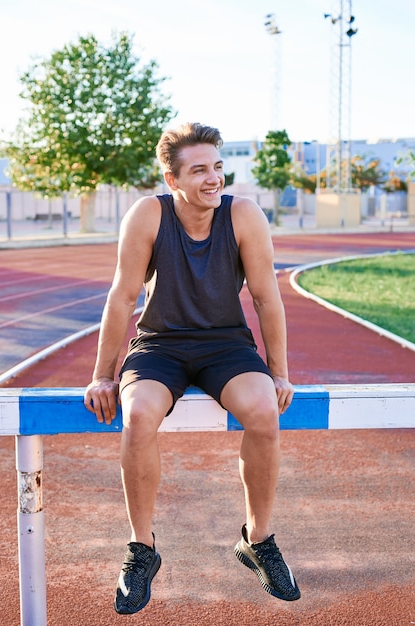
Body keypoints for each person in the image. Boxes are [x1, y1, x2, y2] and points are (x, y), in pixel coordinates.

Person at [84, 122, 300, 614]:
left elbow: (267, 297)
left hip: (226, 345)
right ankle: (141, 549)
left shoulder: (244, 215)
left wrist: (279, 371)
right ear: (172, 178)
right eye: (199, 169)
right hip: (160, 346)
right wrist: (103, 374)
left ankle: (257, 540)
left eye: (218, 167)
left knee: (265, 412)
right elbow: (123, 296)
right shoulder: (148, 215)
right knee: (138, 416)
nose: (213, 179)